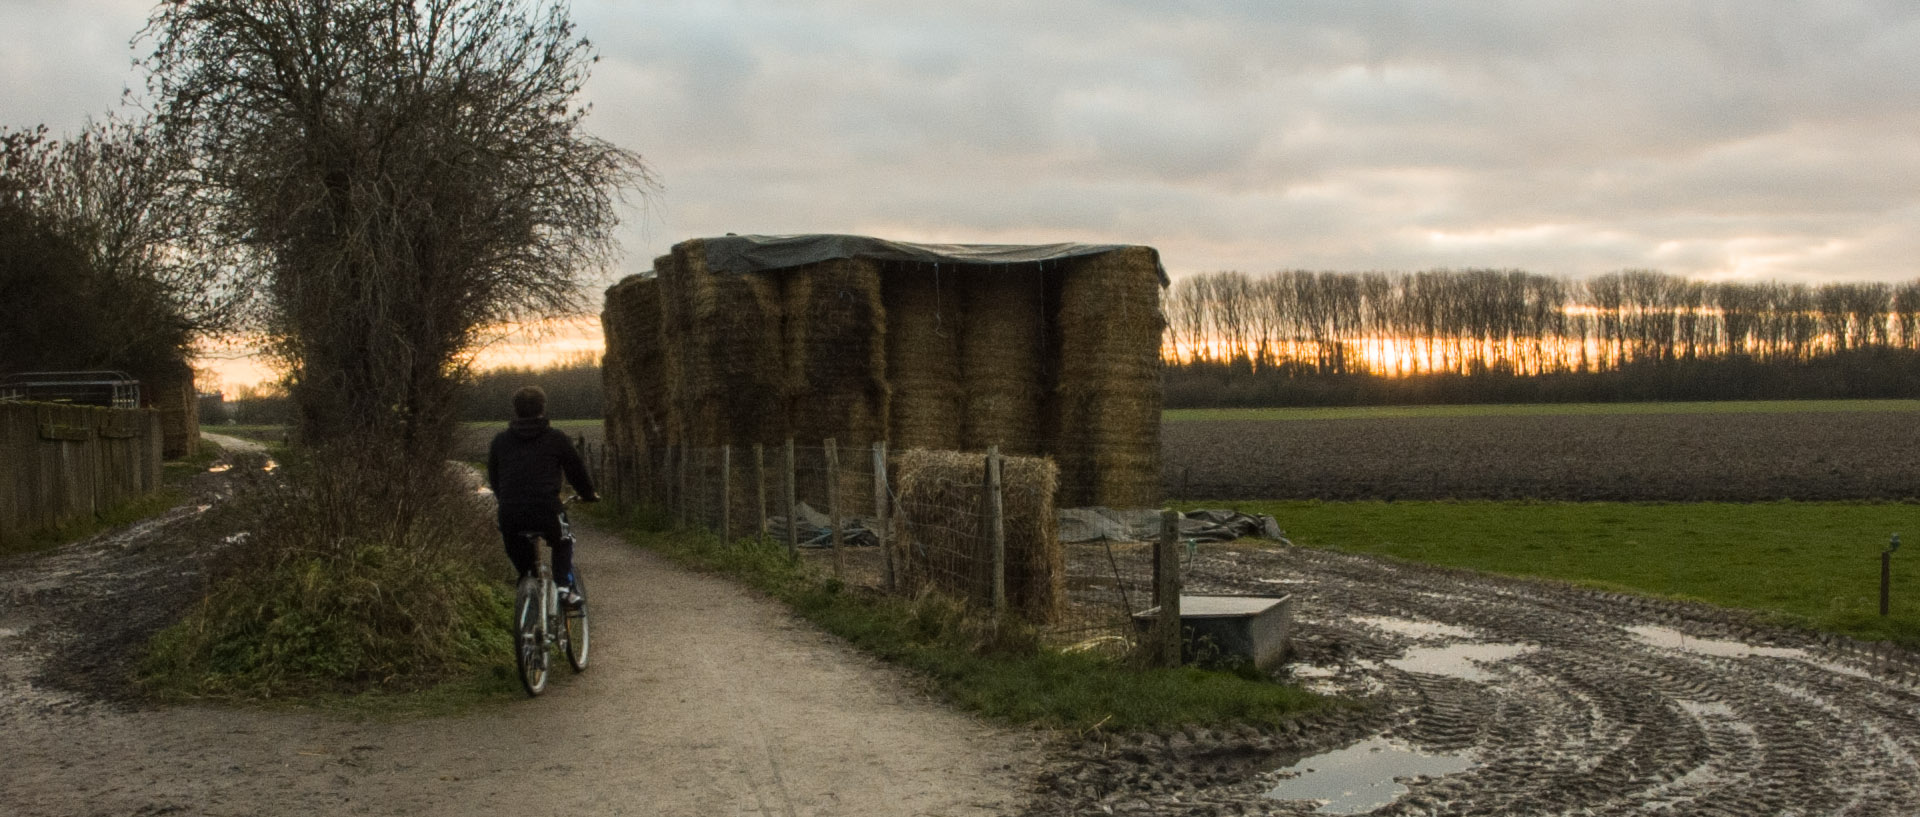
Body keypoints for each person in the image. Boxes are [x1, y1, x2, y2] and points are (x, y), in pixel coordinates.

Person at [487, 386, 598, 604]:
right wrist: (588, 494)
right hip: (546, 509)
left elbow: (494, 477)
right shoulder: (556, 438)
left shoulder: (500, 441)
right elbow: (576, 471)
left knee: (525, 565)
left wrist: (506, 500)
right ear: (543, 408)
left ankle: (527, 585)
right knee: (563, 540)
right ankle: (564, 587)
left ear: (515, 410)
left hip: (510, 512)